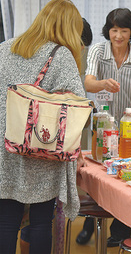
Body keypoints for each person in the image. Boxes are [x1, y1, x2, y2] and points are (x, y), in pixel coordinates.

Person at [0, 0, 86, 254]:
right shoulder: (61, 56)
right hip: (42, 147)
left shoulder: (5, 48)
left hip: (5, 144)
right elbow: (77, 106)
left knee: (5, 221)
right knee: (39, 222)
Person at [76, 8, 131, 247]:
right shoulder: (99, 51)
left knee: (126, 178)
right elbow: (88, 83)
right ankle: (91, 223)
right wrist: (102, 83)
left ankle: (119, 228)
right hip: (101, 126)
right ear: (107, 31)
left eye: (123, 30)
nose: (118, 36)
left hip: (129, 130)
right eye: (114, 30)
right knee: (100, 174)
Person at [19, 16, 94, 254]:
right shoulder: (60, 58)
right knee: (40, 220)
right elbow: (73, 115)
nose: (81, 52)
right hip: (45, 151)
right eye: (81, 47)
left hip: (17, 147)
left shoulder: (19, 49)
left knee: (18, 219)